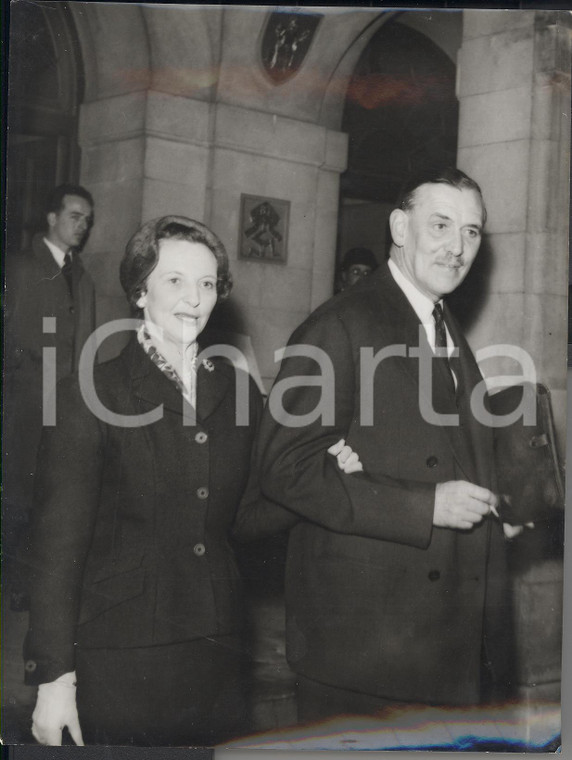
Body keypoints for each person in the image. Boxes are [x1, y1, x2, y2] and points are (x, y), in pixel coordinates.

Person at [235, 168, 525, 721]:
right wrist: (425, 505)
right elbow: (283, 467)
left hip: (439, 640)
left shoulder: (444, 327)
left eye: (471, 232)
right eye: (440, 225)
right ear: (399, 225)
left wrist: (502, 506)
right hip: (363, 648)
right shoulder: (340, 325)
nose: (457, 247)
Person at [24, 216, 266, 746]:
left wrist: (321, 473)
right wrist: (53, 675)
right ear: (140, 290)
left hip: (217, 647)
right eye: (174, 280)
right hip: (122, 652)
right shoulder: (91, 393)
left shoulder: (240, 392)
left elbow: (246, 518)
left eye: (207, 284)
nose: (194, 298)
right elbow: (56, 550)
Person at [4, 184, 96, 609]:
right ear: (52, 217)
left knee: (52, 500)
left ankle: (35, 584)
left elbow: (86, 348)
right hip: (25, 406)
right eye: (75, 216)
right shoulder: (21, 267)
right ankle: (15, 582)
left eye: (87, 219)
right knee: (18, 496)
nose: (83, 225)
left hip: (67, 407)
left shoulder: (83, 278)